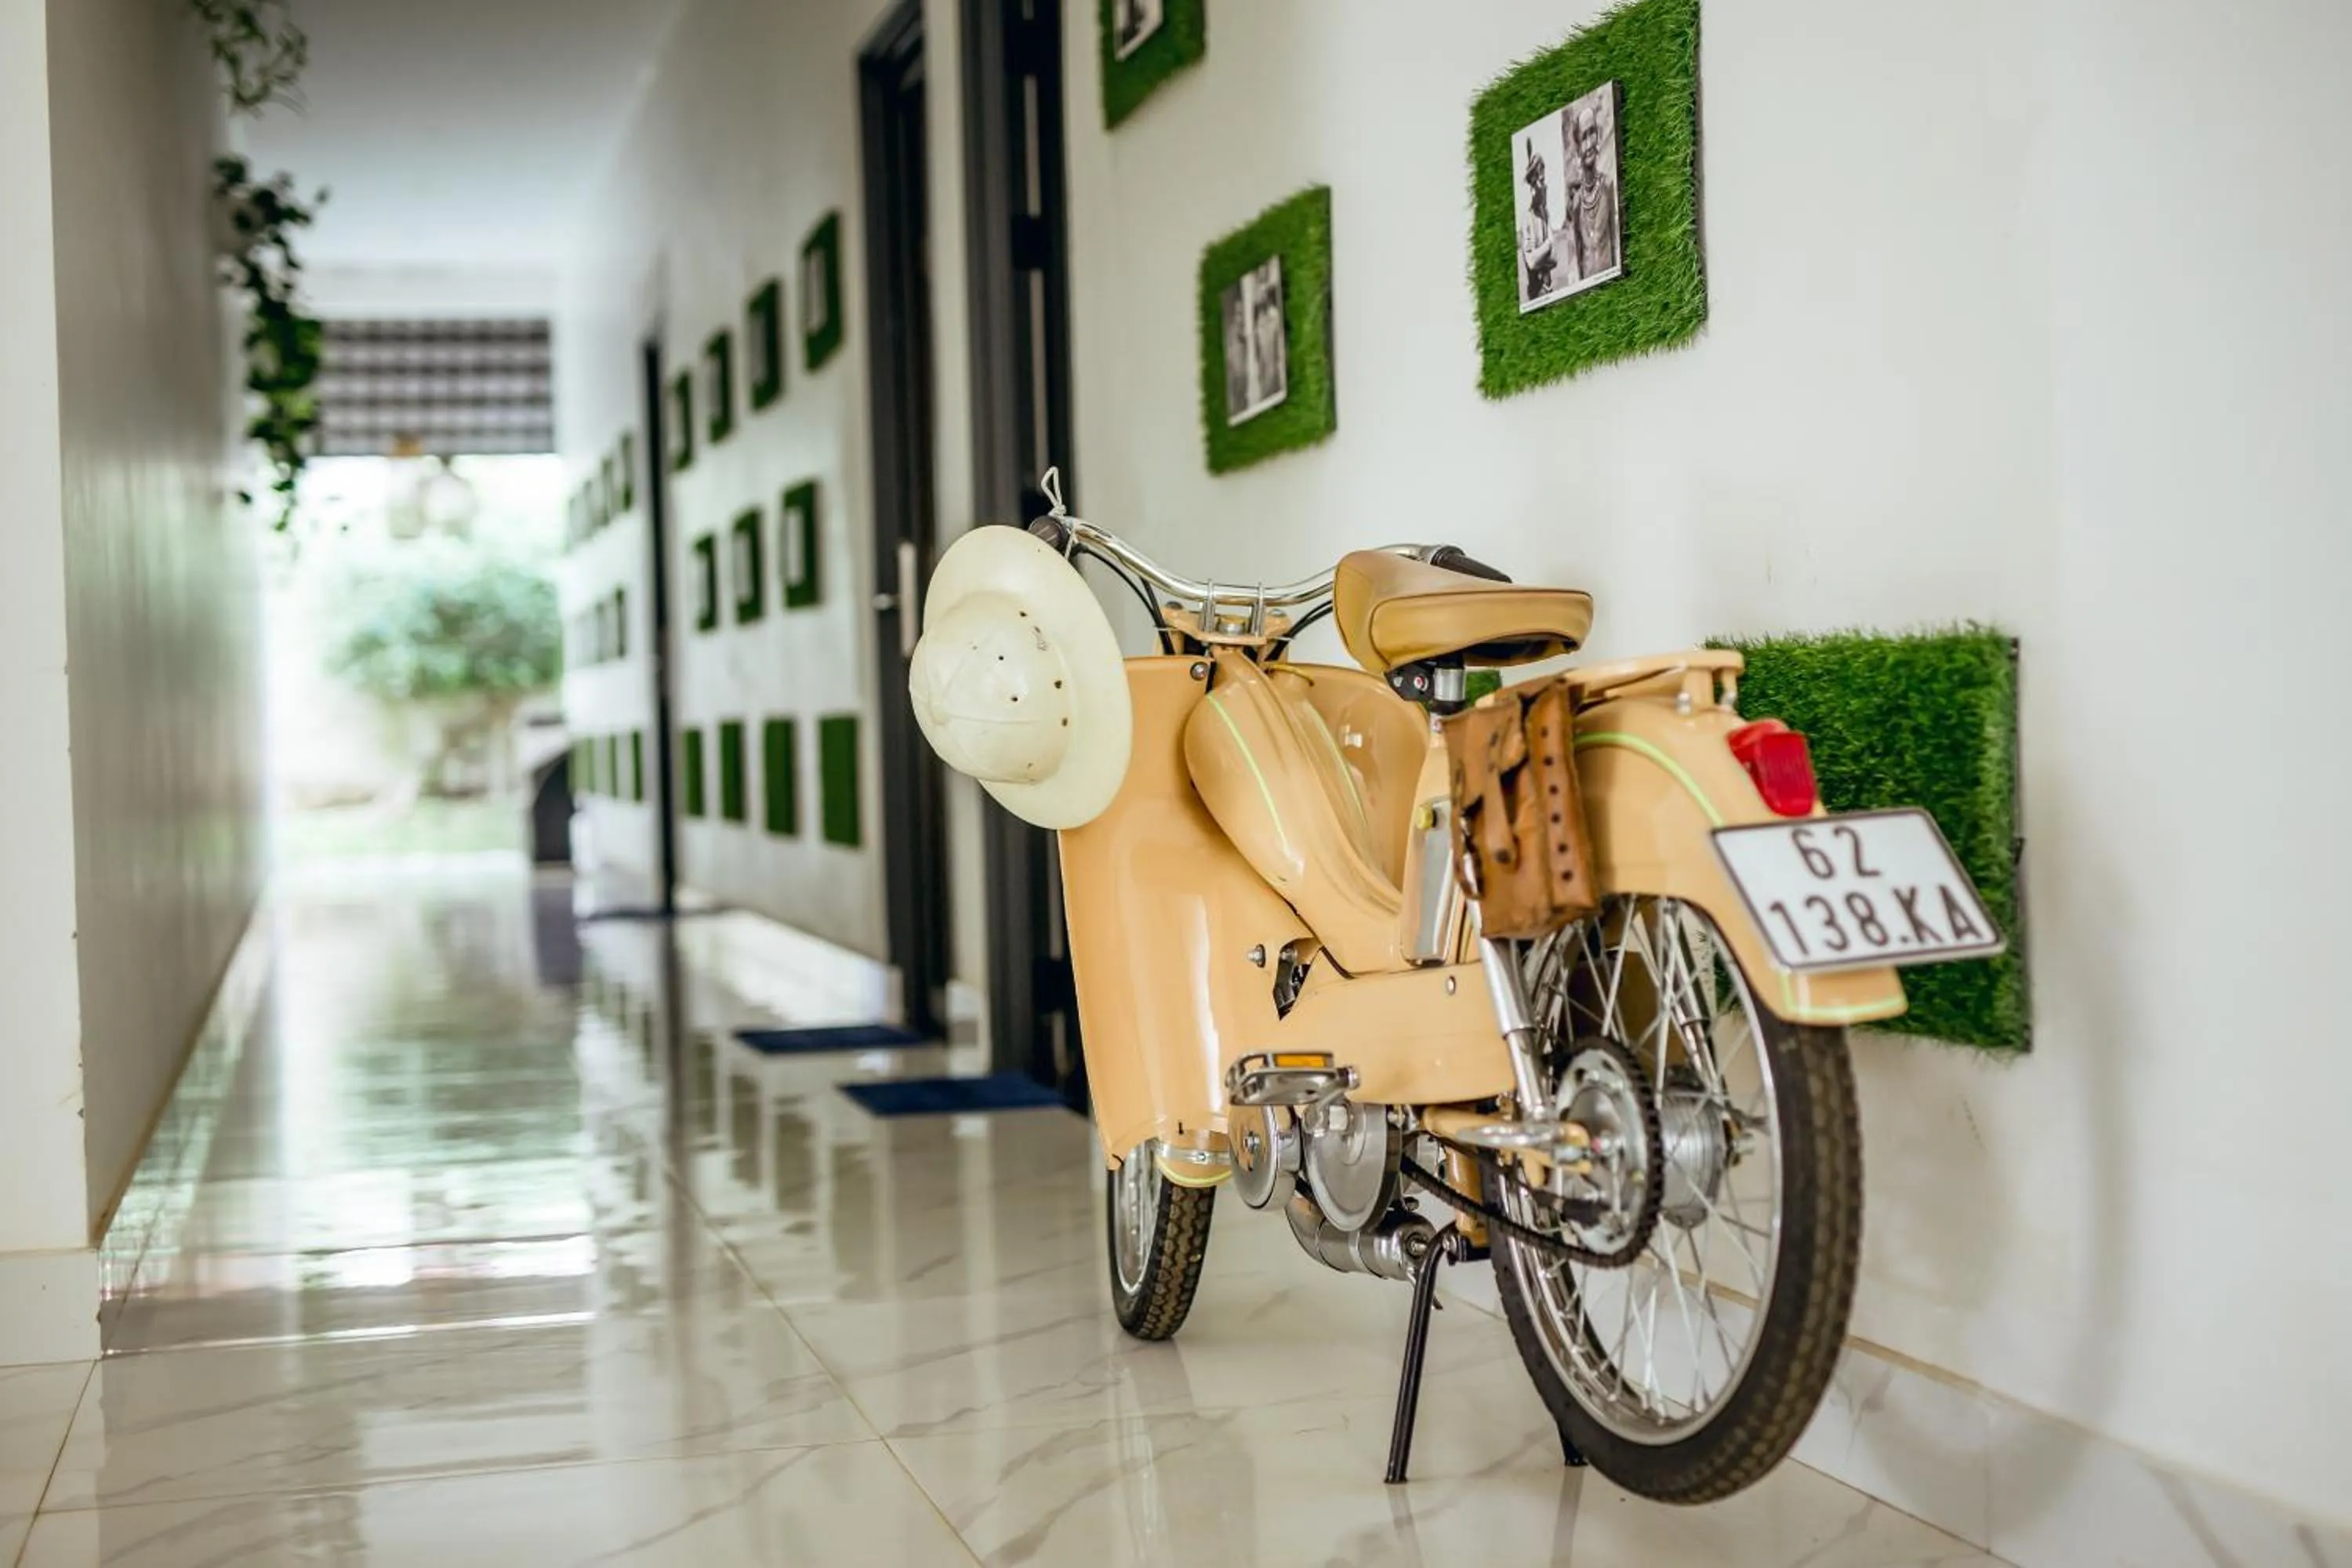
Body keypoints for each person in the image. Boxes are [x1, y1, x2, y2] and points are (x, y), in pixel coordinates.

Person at [1563, 96, 1620, 282]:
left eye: (1592, 133)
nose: (1589, 143)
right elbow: (1579, 255)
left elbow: (1615, 243)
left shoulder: (1608, 185)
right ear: (1578, 148)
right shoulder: (1578, 201)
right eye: (1583, 137)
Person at [1518, 137, 1559, 303]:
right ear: (1532, 187)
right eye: (1539, 182)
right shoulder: (1526, 218)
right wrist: (1548, 244)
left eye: (1544, 181)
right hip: (1536, 296)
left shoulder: (1546, 213)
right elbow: (1532, 262)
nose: (1544, 187)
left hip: (1550, 291)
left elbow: (1555, 259)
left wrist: (1543, 253)